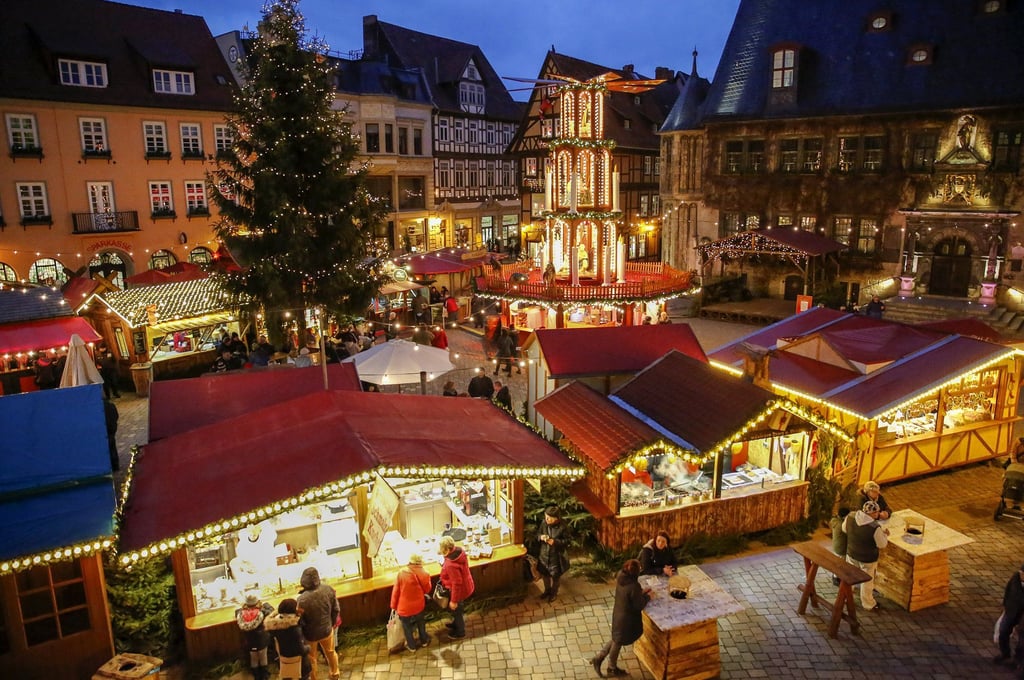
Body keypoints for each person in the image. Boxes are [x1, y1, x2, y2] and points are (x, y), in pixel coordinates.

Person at [590, 559, 652, 678]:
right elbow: (638, 605)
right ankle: (611, 668)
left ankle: (599, 658)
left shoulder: (622, 577)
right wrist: (648, 597)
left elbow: (629, 596)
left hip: (619, 613)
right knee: (618, 641)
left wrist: (641, 592)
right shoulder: (633, 585)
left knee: (616, 638)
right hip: (626, 619)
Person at [843, 500, 889, 612]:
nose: (878, 515)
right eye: (877, 512)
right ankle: (868, 603)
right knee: (867, 581)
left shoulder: (850, 516)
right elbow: (882, 544)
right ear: (872, 513)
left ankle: (845, 595)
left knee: (850, 575)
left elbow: (844, 529)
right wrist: (885, 535)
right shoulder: (874, 527)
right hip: (867, 558)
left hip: (852, 552)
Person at [296, 567, 340, 680]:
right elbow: (336, 609)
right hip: (326, 629)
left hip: (310, 634)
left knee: (311, 658)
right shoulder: (328, 589)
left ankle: (314, 678)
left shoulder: (302, 599)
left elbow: (300, 620)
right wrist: (331, 623)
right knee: (331, 652)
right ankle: (335, 674)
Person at [390, 554, 432, 652]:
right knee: (421, 623)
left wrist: (393, 606)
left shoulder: (402, 573)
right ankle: (424, 641)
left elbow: (396, 591)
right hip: (418, 606)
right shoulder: (425, 573)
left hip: (404, 607)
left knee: (407, 627)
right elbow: (427, 590)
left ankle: (412, 646)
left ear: (410, 561)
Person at [439, 535, 475, 640]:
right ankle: (456, 624)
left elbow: (456, 583)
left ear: (447, 549)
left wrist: (454, 600)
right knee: (457, 610)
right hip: (466, 585)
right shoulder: (459, 552)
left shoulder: (451, 564)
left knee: (457, 610)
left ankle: (460, 631)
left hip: (458, 591)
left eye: (442, 550)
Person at [265, 599, 311, 680]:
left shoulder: (273, 626)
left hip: (283, 661)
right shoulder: (294, 629)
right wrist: (308, 648)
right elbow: (301, 649)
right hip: (299, 663)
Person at [236, 592, 275, 680]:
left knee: (253, 658)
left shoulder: (240, 614)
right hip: (262, 641)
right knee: (263, 656)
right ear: (257, 602)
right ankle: (265, 675)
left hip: (249, 641)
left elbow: (237, 611)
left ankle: (256, 675)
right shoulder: (262, 612)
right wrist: (265, 604)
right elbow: (271, 610)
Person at [536, 505, 570, 603]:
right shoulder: (543, 524)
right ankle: (547, 590)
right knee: (544, 575)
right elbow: (537, 535)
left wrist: (555, 542)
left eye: (549, 518)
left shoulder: (563, 527)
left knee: (555, 576)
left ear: (555, 518)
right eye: (545, 517)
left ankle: (554, 593)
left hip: (556, 557)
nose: (546, 519)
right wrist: (541, 537)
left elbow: (567, 541)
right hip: (544, 555)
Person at [995, 564, 1024, 666]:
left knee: (1022, 640)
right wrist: (1005, 605)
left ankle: (1018, 661)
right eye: (1021, 573)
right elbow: (1008, 590)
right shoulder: (1016, 577)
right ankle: (1005, 654)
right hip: (1011, 610)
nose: (1022, 576)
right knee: (1003, 631)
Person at [829, 507, 851, 586]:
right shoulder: (842, 525)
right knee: (840, 564)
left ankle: (835, 576)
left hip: (836, 546)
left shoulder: (835, 521)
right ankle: (836, 578)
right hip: (841, 548)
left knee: (837, 562)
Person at [103, 395, 120, 472]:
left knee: (109, 447)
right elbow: (116, 416)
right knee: (112, 446)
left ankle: (112, 465)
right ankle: (115, 465)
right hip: (112, 429)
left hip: (106, 429)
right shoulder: (111, 405)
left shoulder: (99, 408)